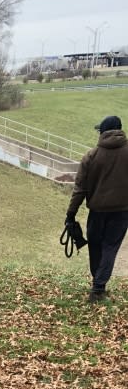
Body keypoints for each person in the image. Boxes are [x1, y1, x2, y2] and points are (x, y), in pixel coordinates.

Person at [66, 114, 128, 303]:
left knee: (95, 246)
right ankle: (98, 286)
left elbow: (80, 188)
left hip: (97, 212)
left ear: (103, 132)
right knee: (110, 247)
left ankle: (98, 286)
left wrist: (71, 213)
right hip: (122, 212)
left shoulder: (91, 156)